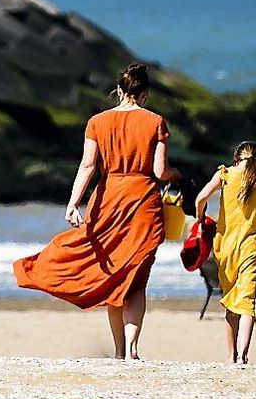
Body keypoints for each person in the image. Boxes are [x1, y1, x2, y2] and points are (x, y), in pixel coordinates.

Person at [14, 62, 179, 361]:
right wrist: (178, 176)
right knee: (136, 280)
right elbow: (159, 170)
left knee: (114, 275)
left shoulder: (97, 122)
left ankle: (118, 351)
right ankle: (132, 349)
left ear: (119, 90)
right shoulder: (155, 121)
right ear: (144, 93)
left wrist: (73, 202)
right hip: (143, 202)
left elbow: (88, 166)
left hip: (108, 200)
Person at [193, 141, 256, 364]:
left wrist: (200, 220)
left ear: (236, 157)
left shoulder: (224, 175)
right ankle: (243, 355)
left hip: (225, 246)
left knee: (230, 301)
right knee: (247, 300)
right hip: (252, 246)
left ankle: (230, 356)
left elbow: (200, 198)